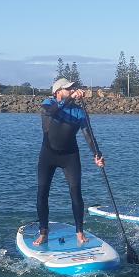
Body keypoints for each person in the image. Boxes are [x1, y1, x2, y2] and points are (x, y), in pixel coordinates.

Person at [36, 78, 103, 246]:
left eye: (73, 88)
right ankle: (43, 231)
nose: (73, 90)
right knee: (42, 192)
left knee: (76, 192)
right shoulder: (47, 104)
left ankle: (80, 232)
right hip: (48, 155)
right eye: (68, 89)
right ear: (58, 92)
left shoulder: (79, 111)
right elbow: (51, 115)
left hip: (70, 156)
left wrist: (97, 154)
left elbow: (88, 136)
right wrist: (69, 99)